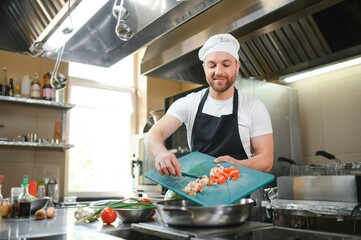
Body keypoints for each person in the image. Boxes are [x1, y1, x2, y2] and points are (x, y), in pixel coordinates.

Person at [145, 33, 274, 177]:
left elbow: (266, 159)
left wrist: (238, 165)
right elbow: (153, 134)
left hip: (240, 196)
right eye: (212, 65)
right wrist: (160, 153)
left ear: (237, 66)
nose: (218, 72)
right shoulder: (190, 103)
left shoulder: (253, 107)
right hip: (198, 191)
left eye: (226, 64)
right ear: (204, 68)